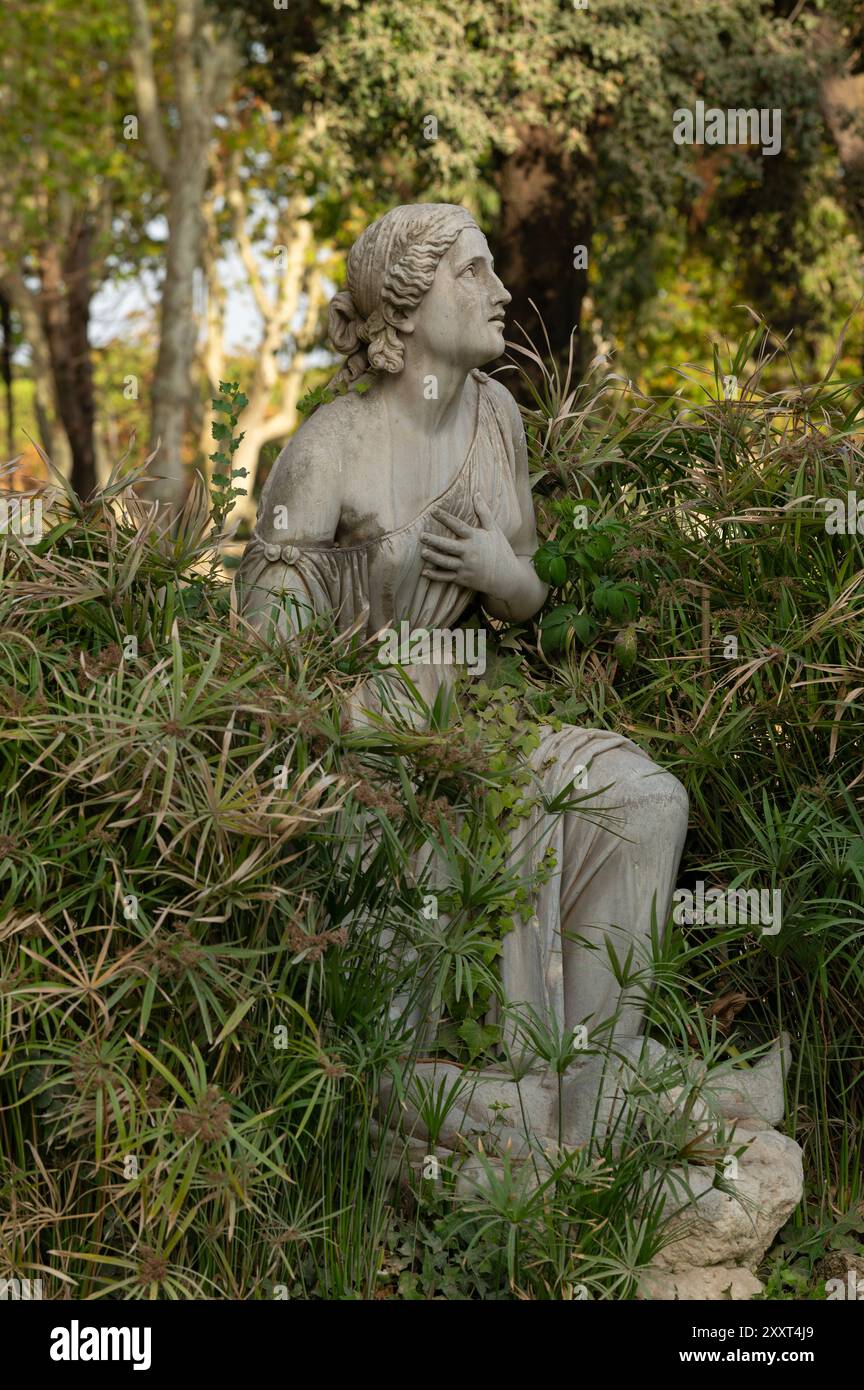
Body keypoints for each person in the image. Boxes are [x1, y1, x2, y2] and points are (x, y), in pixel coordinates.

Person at [237, 203, 688, 1051]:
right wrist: (357, 734)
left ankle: (589, 1078)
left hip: (479, 730)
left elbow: (525, 596)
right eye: (473, 272)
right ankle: (472, 1102)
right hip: (366, 758)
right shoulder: (333, 445)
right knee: (392, 1034)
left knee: (644, 801)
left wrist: (502, 575)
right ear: (405, 303)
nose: (502, 289)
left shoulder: (498, 419)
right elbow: (266, 649)